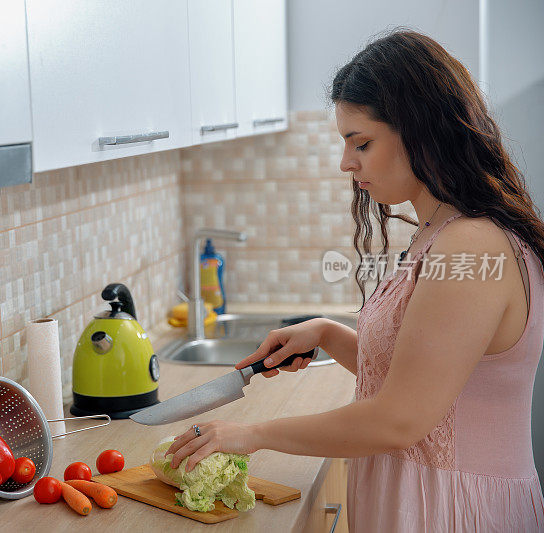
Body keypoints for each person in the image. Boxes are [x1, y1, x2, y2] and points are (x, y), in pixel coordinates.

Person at [166, 29, 544, 531]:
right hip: (427, 499)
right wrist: (326, 332)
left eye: (361, 143)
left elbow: (399, 419)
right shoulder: (443, 230)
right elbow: (420, 371)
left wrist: (251, 433)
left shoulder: (471, 245)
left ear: (422, 130)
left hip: (455, 510)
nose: (347, 163)